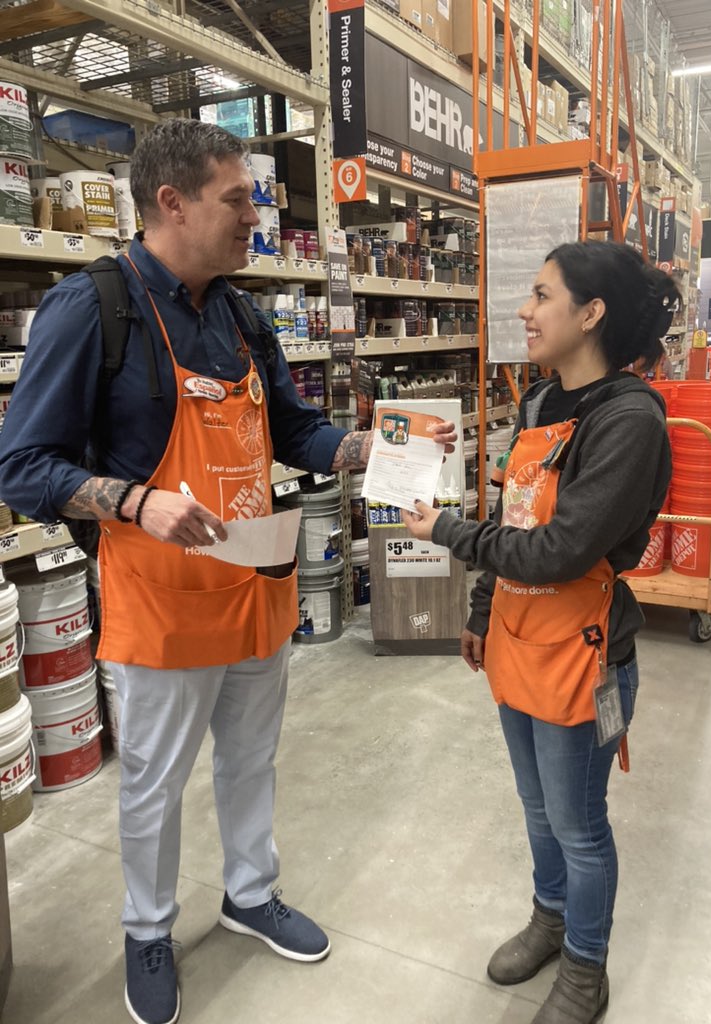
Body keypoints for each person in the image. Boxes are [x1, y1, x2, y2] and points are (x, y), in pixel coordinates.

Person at [0, 119, 454, 1024]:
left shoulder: (242, 314)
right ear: (172, 203)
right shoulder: (93, 308)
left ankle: (250, 894)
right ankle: (147, 930)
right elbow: (21, 465)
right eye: (239, 197)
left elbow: (293, 431)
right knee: (156, 782)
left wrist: (375, 448)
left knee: (251, 760)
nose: (255, 214)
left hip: (256, 584)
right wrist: (134, 501)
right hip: (164, 598)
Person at [402, 241, 677, 1024]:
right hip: (520, 638)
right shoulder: (540, 403)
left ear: (590, 314)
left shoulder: (628, 421)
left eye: (541, 294)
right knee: (536, 807)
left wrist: (451, 534)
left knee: (580, 826)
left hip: (584, 656)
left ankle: (586, 968)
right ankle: (550, 918)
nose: (524, 310)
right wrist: (484, 611)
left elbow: (560, 550)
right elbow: (518, 518)